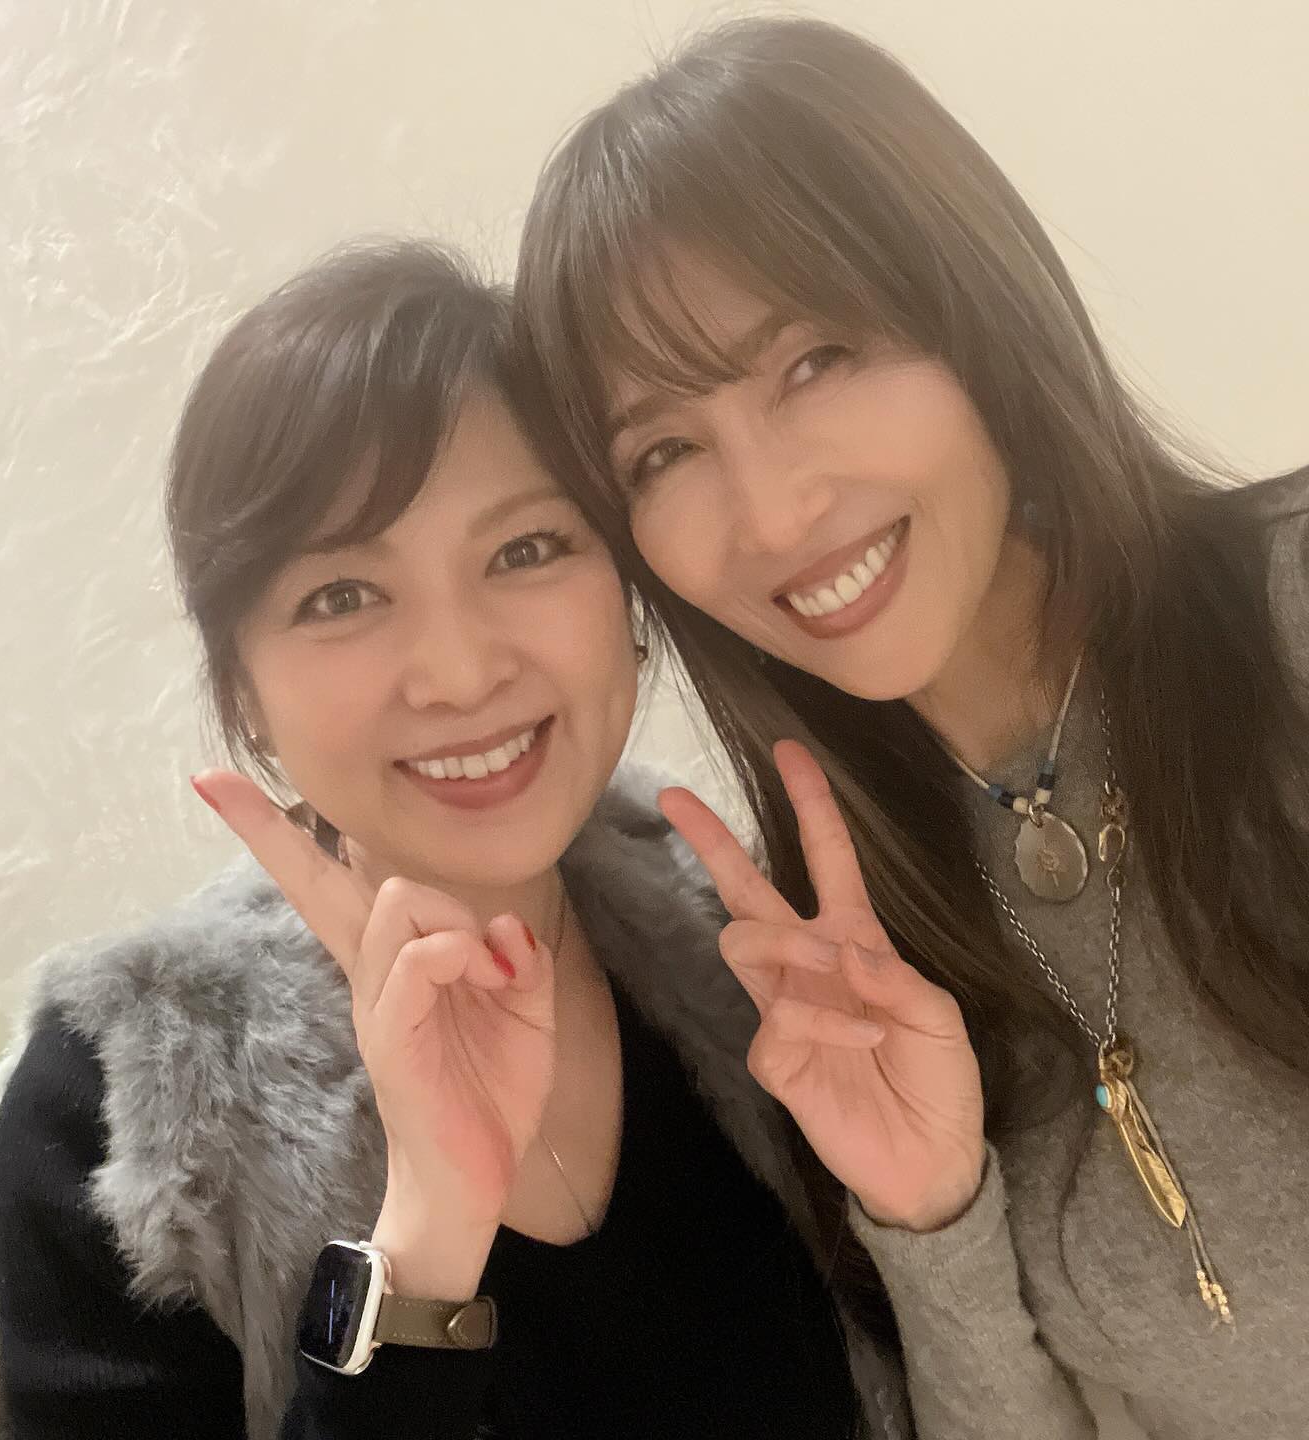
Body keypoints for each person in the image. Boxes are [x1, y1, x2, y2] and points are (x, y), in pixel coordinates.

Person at [514, 16, 1309, 1440]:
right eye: (665, 450)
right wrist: (931, 1214)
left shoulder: (1287, 616)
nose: (771, 514)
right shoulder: (835, 940)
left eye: (815, 360)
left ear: (972, 314)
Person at [0, 241, 905, 1440]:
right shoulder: (121, 1109)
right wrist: (424, 1239)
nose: (462, 671)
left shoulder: (753, 952)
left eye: (525, 550)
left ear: (626, 594)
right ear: (243, 692)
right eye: (341, 596)